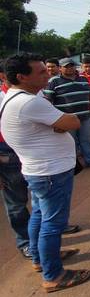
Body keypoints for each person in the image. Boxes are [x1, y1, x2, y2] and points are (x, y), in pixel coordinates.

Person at [1, 54, 90, 292]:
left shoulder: (18, 97)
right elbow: (72, 122)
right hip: (50, 172)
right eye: (41, 71)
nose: (48, 73)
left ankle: (40, 259)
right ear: (21, 77)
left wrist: (58, 123)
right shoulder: (30, 102)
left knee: (40, 217)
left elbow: (60, 123)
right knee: (53, 223)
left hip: (39, 170)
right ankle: (53, 275)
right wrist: (63, 121)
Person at [44, 58, 90, 167]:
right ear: (60, 68)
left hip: (84, 115)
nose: (70, 68)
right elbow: (48, 100)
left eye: (72, 66)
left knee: (87, 139)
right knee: (70, 142)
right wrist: (54, 119)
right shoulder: (53, 81)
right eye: (66, 66)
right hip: (67, 118)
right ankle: (74, 163)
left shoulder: (84, 79)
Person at [0, 63, 31, 259]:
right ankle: (26, 242)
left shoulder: (31, 94)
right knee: (16, 204)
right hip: (7, 154)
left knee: (42, 196)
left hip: (30, 150)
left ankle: (44, 235)